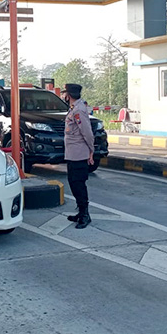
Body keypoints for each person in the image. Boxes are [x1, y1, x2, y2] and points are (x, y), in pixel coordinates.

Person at [63, 83, 95, 229]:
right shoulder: (74, 108)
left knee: (78, 184)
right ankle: (80, 212)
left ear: (68, 95)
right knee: (74, 183)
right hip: (72, 153)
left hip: (79, 153)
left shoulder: (79, 110)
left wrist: (91, 150)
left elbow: (87, 132)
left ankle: (85, 215)